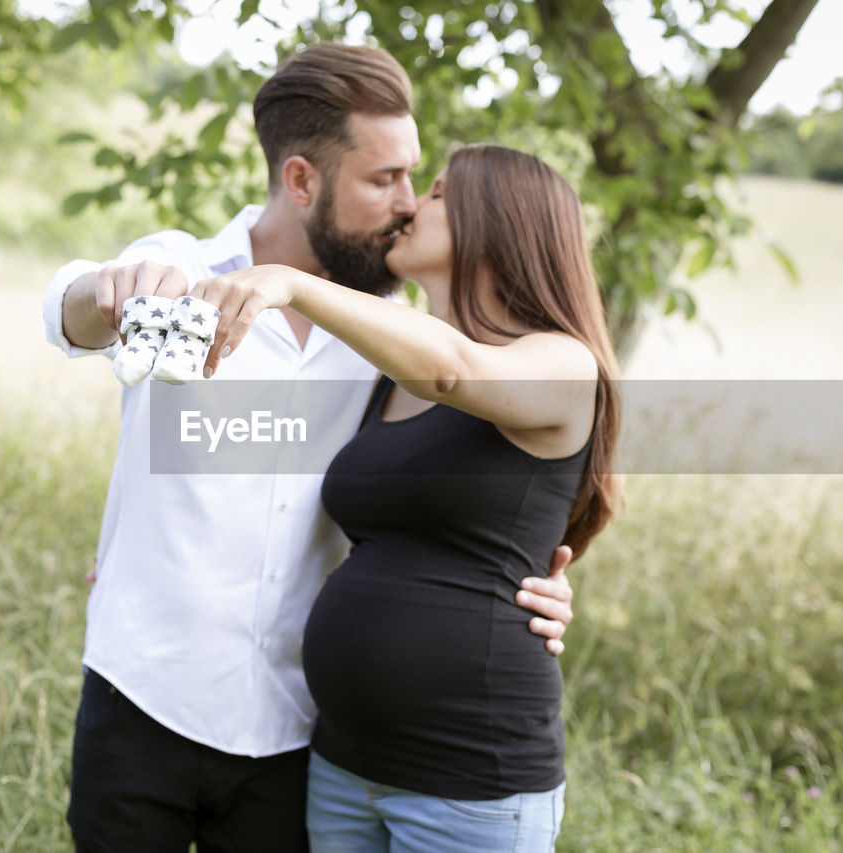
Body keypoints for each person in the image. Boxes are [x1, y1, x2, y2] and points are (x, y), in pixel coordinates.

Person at [42, 44, 577, 852]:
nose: (406, 203)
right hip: (146, 694)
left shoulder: (392, 337)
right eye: (383, 179)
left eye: (415, 179)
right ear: (301, 180)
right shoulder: (180, 271)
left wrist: (529, 579)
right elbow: (71, 310)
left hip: (294, 731)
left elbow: (492, 468)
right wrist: (105, 291)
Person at [187, 143, 621, 851]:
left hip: (468, 778)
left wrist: (289, 283)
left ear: (501, 223)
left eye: (441, 192)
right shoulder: (388, 375)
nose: (411, 204)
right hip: (342, 765)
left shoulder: (561, 361)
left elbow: (453, 372)